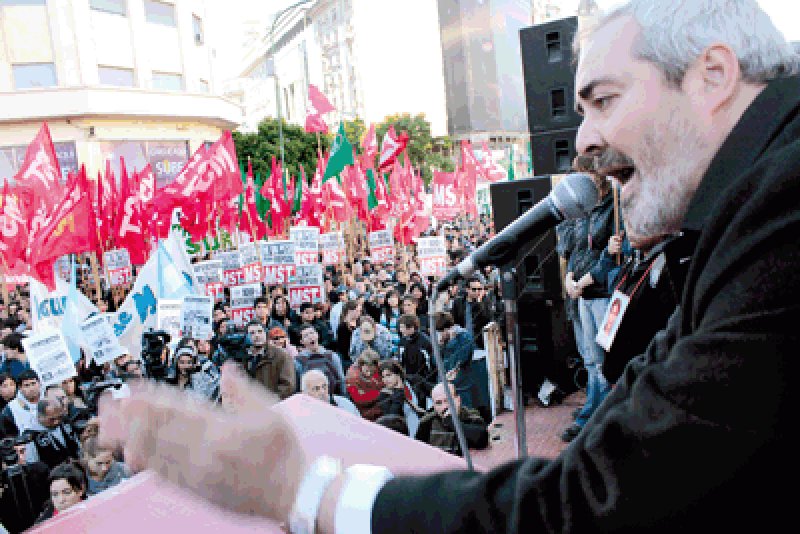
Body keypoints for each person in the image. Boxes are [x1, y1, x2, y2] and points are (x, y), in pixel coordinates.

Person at [97, 2, 800, 530]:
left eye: (605, 100)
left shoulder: (784, 204)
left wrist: (298, 489)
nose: (584, 139)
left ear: (712, 74)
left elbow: (603, 501)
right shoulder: (739, 216)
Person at [414, 382, 489, 457]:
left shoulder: (470, 416)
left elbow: (482, 440)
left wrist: (453, 423)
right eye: (438, 403)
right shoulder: (427, 423)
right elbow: (418, 452)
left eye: (448, 400)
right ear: (434, 406)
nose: (444, 407)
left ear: (458, 400)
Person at [245, 321, 295, 400]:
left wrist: (269, 401)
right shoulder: (243, 358)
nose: (257, 335)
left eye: (260, 332)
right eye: (252, 333)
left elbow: (287, 386)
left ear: (265, 334)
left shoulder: (281, 356)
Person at [296, 326, 346, 397]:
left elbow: (341, 380)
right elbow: (298, 386)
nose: (311, 337)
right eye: (306, 336)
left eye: (312, 333)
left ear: (317, 335)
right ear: (301, 341)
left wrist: (343, 397)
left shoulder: (332, 356)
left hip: (333, 398)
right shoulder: (298, 361)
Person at [345, 350, 384, 421]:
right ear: (361, 364)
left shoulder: (379, 370)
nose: (369, 374)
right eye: (367, 371)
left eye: (372, 372)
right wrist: (380, 393)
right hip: (362, 415)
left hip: (379, 409)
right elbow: (359, 399)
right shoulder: (352, 377)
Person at [0, 370, 41, 437]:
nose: (31, 388)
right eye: (27, 385)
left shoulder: (49, 397)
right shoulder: (9, 411)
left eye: (33, 383)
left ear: (39, 383)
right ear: (20, 388)